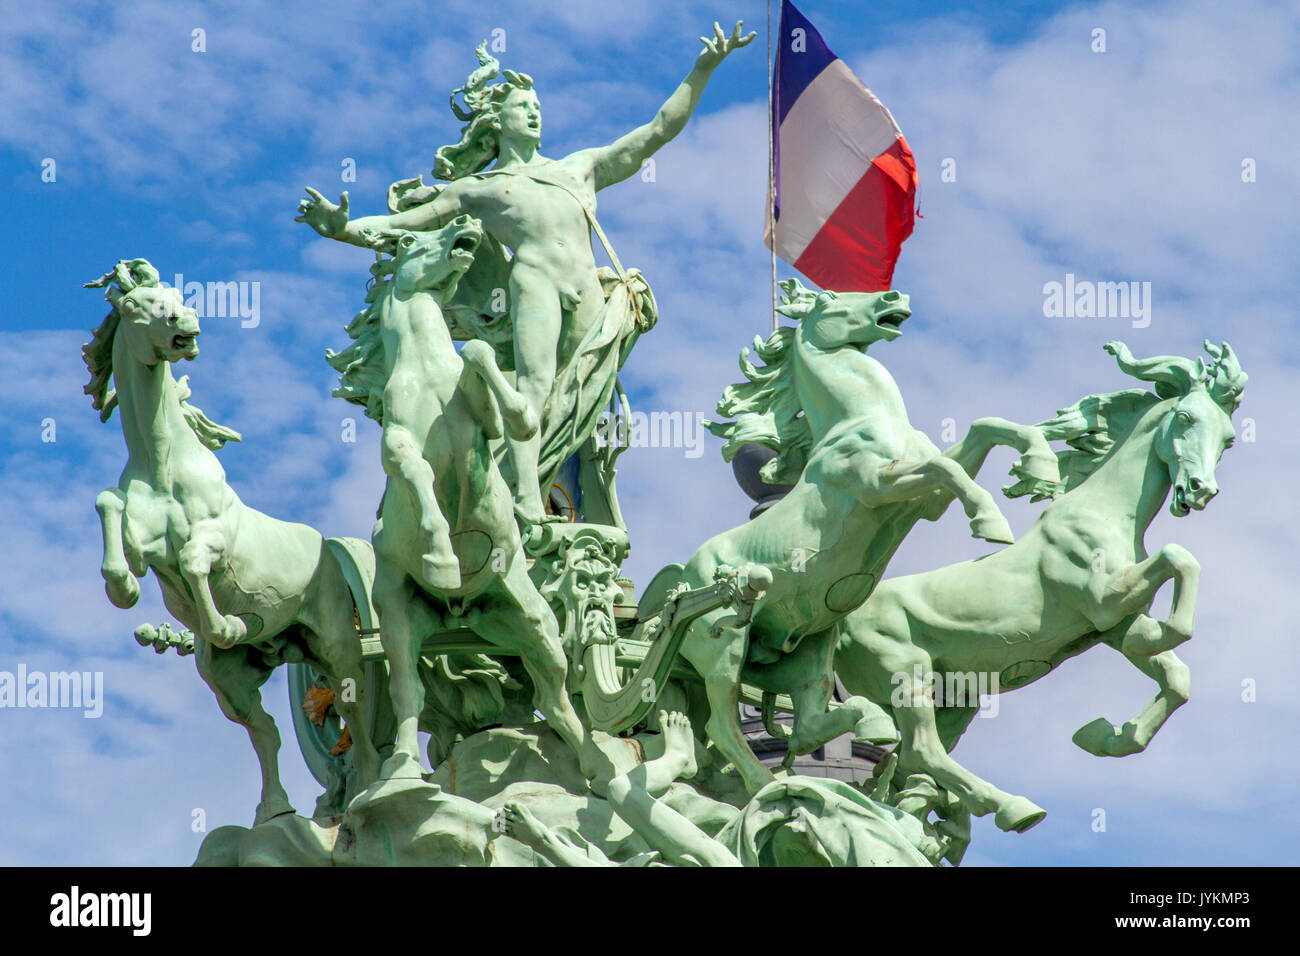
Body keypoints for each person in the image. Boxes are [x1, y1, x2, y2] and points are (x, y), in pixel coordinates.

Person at [296, 22, 755, 524]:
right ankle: (526, 496)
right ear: (497, 121)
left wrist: (703, 68)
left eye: (538, 108)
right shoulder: (484, 188)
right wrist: (340, 229)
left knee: (582, 394)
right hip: (534, 283)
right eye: (523, 107)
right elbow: (402, 223)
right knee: (534, 389)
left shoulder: (577, 169)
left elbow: (655, 132)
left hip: (586, 287)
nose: (535, 114)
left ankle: (552, 481)